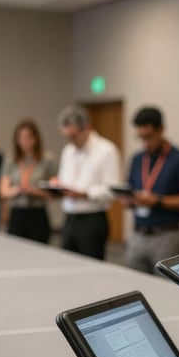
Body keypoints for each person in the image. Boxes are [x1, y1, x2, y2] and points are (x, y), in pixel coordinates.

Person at [119, 107, 179, 274]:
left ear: (161, 130)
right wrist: (128, 200)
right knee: (134, 284)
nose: (145, 142)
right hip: (138, 234)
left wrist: (158, 201)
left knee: (165, 291)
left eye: (149, 137)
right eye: (141, 137)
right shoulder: (137, 159)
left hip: (166, 236)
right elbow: (129, 190)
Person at [54, 105, 120, 260]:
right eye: (67, 137)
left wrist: (84, 194)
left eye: (74, 136)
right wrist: (57, 186)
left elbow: (112, 190)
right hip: (70, 217)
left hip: (92, 219)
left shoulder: (106, 150)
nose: (71, 140)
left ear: (87, 129)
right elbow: (65, 179)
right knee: (67, 265)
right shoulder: (68, 150)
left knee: (91, 267)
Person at [0, 119, 58, 244]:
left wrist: (35, 191)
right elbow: (3, 191)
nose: (25, 141)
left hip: (37, 212)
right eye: (21, 138)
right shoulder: (11, 159)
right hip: (17, 212)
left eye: (28, 137)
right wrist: (17, 190)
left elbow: (54, 192)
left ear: (35, 138)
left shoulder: (47, 159)